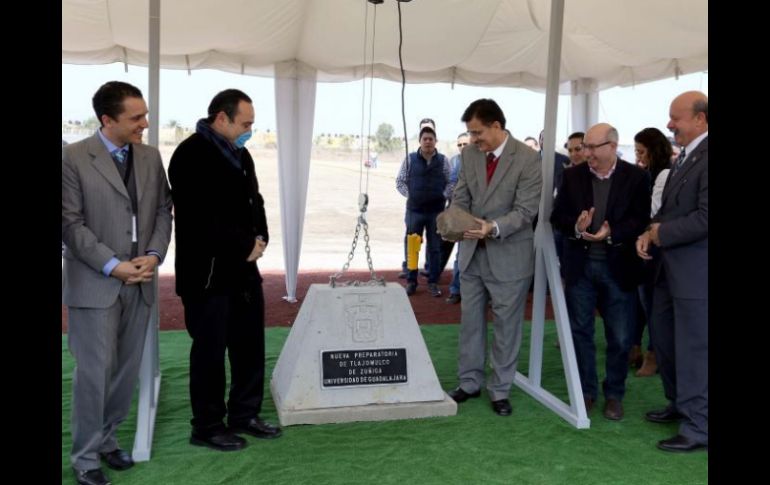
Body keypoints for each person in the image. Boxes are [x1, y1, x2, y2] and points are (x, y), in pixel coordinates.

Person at [62, 81, 173, 485]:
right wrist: (113, 265)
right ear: (107, 120)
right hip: (95, 284)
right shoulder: (72, 158)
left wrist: (155, 256)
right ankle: (86, 458)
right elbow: (70, 225)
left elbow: (164, 210)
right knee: (94, 373)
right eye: (136, 117)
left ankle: (108, 439)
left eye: (144, 114)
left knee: (126, 370)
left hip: (141, 281)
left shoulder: (150, 156)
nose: (145, 123)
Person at [169, 89, 282, 452]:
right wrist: (242, 245)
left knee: (250, 347)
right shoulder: (190, 155)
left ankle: (244, 414)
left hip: (244, 273)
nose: (251, 130)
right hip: (208, 276)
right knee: (210, 353)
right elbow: (200, 217)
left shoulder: (241, 153)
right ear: (222, 118)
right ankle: (207, 425)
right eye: (246, 123)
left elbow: (255, 201)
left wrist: (260, 238)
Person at [447, 99, 542, 417]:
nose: (473, 139)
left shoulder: (528, 159)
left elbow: (527, 211)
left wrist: (493, 227)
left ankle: (500, 389)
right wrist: (453, 220)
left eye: (477, 132)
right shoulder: (469, 154)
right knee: (470, 323)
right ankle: (469, 382)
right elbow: (461, 194)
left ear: (497, 126)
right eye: (470, 134)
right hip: (472, 256)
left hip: (509, 256)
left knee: (506, 326)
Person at [550, 123, 650, 421]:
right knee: (581, 331)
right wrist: (577, 228)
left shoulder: (636, 177)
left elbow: (641, 218)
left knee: (620, 337)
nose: (586, 153)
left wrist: (612, 232)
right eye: (584, 147)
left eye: (593, 147)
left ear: (613, 146)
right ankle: (587, 390)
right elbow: (558, 216)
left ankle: (615, 393)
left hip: (617, 266)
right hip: (581, 267)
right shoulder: (571, 175)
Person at [636, 91, 708, 453]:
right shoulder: (685, 157)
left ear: (700, 119)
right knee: (665, 340)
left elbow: (706, 217)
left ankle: (699, 427)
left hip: (696, 274)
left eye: (675, 118)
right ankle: (680, 404)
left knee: (695, 349)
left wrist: (660, 232)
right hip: (669, 269)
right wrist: (651, 231)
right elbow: (671, 208)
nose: (669, 124)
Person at [630, 127, 672, 376]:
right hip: (640, 244)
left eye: (641, 151)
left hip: (654, 247)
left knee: (650, 303)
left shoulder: (664, 174)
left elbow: (653, 212)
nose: (638, 156)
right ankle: (636, 348)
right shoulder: (646, 173)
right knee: (638, 302)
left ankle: (653, 353)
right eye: (636, 151)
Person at [395, 125, 453, 297]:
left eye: (431, 139)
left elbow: (451, 182)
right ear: (420, 141)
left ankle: (433, 282)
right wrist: (410, 195)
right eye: (425, 139)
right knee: (412, 246)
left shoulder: (443, 161)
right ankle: (411, 281)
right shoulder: (410, 159)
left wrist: (443, 195)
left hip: (436, 212)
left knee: (435, 248)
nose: (428, 142)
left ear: (435, 142)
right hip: (415, 211)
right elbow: (400, 181)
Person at [445, 132, 470, 304]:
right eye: (459, 145)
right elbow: (449, 186)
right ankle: (456, 290)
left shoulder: (485, 159)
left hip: (482, 216)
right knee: (461, 255)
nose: (462, 148)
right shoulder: (455, 162)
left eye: (465, 144)